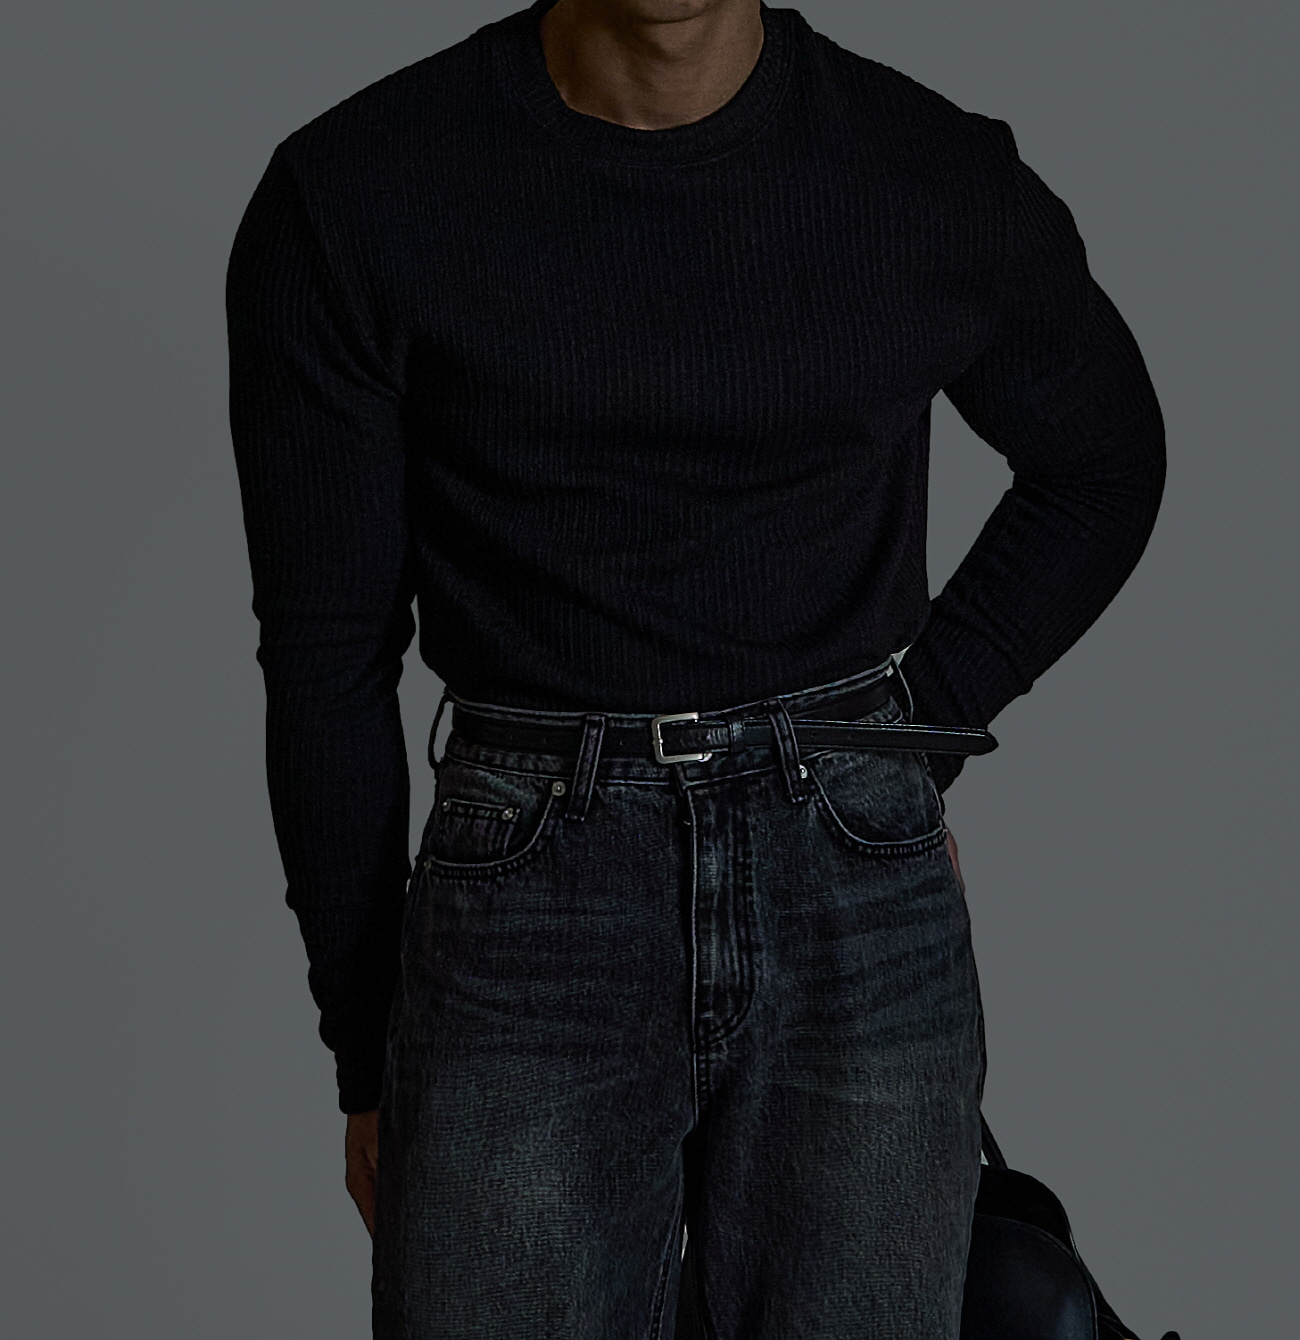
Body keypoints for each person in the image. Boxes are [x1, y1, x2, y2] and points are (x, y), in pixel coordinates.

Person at [225, 1, 1165, 1335]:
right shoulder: (358, 194)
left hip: (853, 894)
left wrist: (906, 739)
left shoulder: (924, 174)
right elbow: (326, 652)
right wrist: (366, 1041)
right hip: (525, 901)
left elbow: (1103, 462)